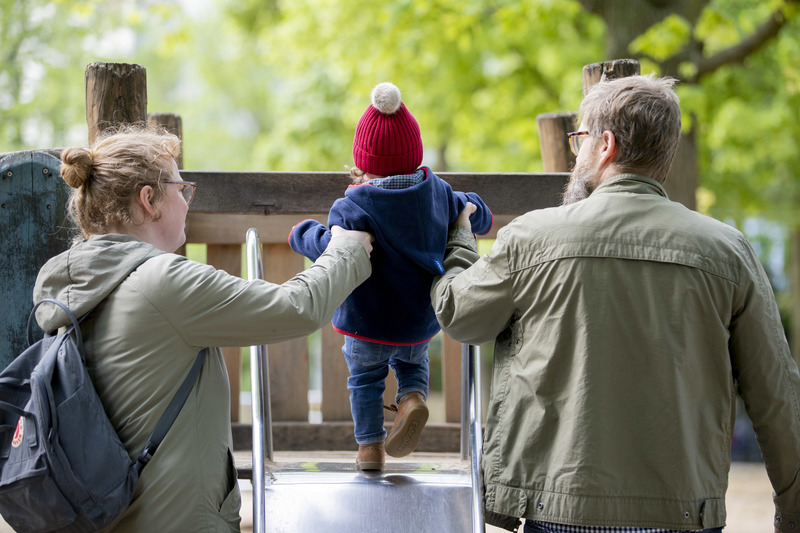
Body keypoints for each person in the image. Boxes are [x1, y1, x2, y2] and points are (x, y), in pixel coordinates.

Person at [431, 74, 800, 533]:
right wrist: (791, 512)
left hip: (560, 509)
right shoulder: (728, 250)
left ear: (605, 145)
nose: (575, 152)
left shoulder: (532, 236)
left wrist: (460, 239)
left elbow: (458, 314)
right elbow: (776, 395)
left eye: (580, 138)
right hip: (685, 512)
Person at [32, 125, 373, 533]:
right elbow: (295, 308)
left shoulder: (77, 287)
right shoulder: (161, 282)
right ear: (148, 200)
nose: (187, 202)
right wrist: (347, 247)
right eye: (182, 189)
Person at [289, 82, 492, 470]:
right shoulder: (441, 194)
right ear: (414, 153)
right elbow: (477, 212)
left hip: (366, 324)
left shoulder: (352, 206)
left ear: (362, 161)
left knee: (364, 382)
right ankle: (412, 398)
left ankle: (370, 449)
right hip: (418, 323)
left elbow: (331, 248)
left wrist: (301, 233)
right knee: (412, 366)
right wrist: (473, 211)